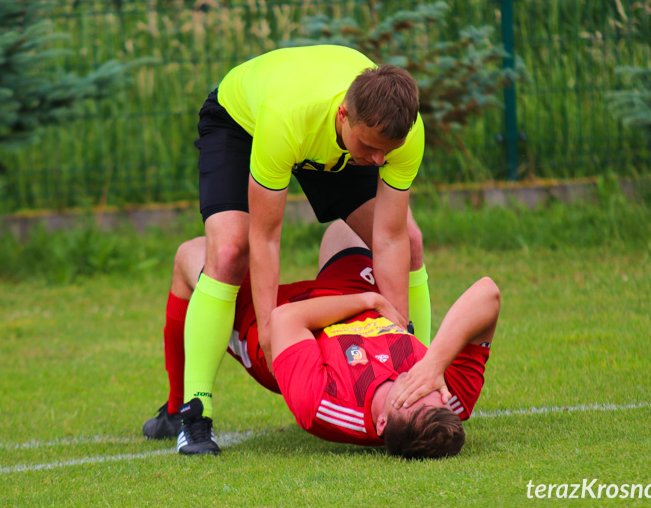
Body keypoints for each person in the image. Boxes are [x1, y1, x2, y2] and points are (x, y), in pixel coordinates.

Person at [181, 44, 433, 454]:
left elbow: (390, 237)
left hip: (331, 143)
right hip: (242, 121)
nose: (380, 160)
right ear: (344, 116)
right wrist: (267, 333)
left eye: (387, 151)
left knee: (414, 240)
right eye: (371, 148)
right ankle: (194, 412)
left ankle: (421, 362)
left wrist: (398, 341)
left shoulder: (397, 136)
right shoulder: (288, 119)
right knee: (229, 251)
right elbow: (266, 236)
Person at [145, 221, 499, 457]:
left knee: (199, 255)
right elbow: (488, 294)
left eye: (413, 400)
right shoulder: (447, 398)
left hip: (279, 326)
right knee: (362, 225)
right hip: (347, 292)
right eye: (433, 395)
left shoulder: (326, 406)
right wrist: (434, 364)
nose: (423, 388)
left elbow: (286, 320)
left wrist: (370, 301)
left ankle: (178, 408)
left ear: (382, 425)